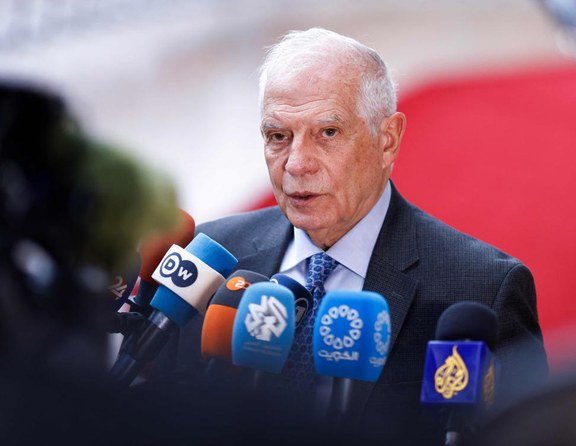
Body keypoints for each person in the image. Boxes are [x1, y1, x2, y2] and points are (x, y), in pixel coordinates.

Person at [176, 27, 548, 442]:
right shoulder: (210, 262)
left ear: (387, 140)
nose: (296, 164)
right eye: (278, 137)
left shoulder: (480, 288)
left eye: (327, 133)